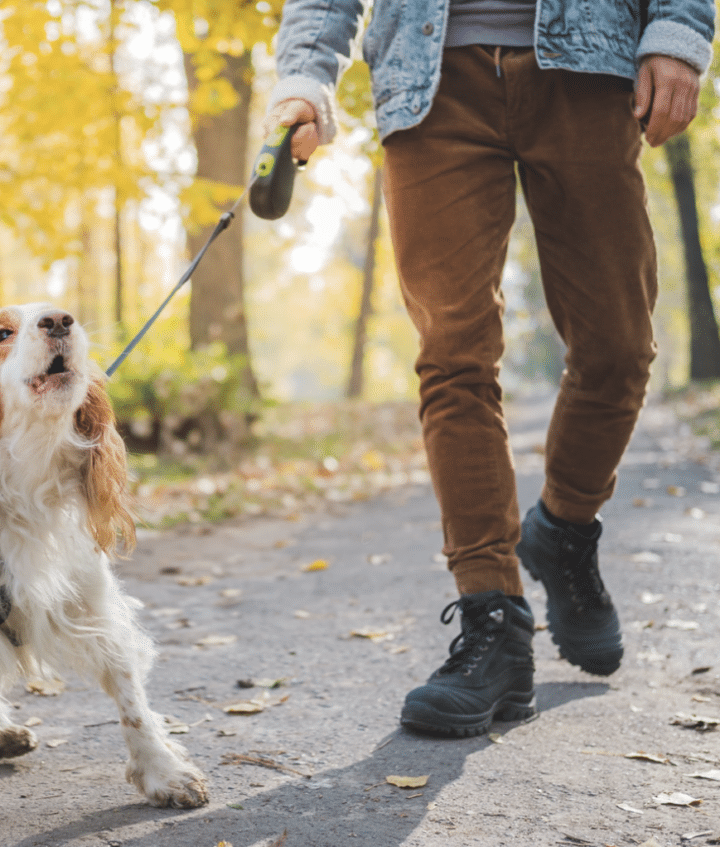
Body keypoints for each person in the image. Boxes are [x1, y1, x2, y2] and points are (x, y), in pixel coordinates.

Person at [263, 0, 715, 737]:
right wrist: (305, 76)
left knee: (618, 348)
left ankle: (564, 528)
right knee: (453, 358)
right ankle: (493, 619)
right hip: (428, 79)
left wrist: (678, 31)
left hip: (588, 66)